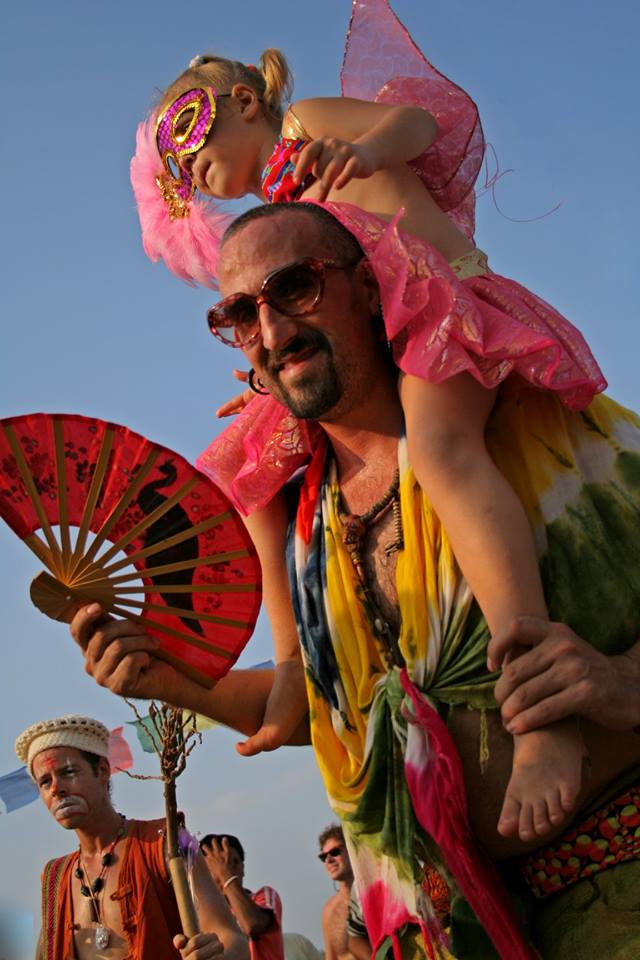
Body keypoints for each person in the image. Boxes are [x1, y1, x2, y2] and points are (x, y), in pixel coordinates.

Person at [71, 201, 640, 959]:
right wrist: (163, 677)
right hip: (453, 931)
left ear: (370, 286)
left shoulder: (516, 423)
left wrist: (623, 682)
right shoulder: (305, 527)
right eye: (240, 315)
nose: (272, 331)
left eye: (295, 287)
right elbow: (319, 710)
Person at [130, 0, 606, 842]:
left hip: (445, 304)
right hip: (380, 337)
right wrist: (276, 371)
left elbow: (422, 121)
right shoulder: (275, 206)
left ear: (245, 102)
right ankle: (289, 665)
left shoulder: (305, 127)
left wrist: (369, 149)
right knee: (250, 477)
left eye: (194, 142)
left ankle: (541, 706)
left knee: (444, 450)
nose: (192, 171)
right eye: (181, 168)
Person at [15, 714, 248, 960]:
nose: (56, 789)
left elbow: (234, 941)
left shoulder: (169, 841)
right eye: (45, 782)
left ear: (103, 771)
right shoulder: (54, 878)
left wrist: (217, 956)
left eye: (69, 772)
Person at [200, 833, 284, 960]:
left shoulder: (264, 896)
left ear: (243, 868)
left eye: (234, 862)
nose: (227, 867)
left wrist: (225, 875)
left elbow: (252, 925)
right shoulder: (201, 915)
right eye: (218, 864)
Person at [317, 824, 370, 960]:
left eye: (335, 852)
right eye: (323, 857)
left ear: (351, 849)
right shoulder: (329, 911)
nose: (329, 860)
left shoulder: (374, 895)